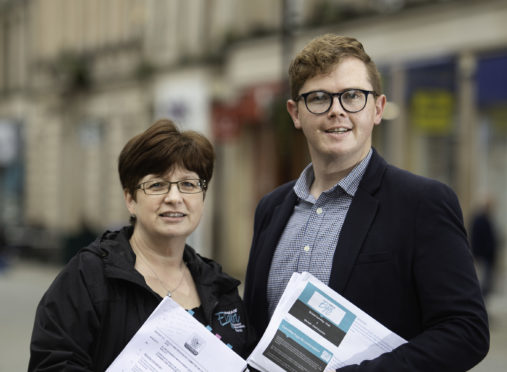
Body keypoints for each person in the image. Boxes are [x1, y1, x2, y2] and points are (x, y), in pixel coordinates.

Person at [243, 34, 489, 371]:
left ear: (378, 108)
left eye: (352, 96)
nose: (336, 111)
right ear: (295, 113)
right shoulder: (270, 209)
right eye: (318, 98)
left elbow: (466, 331)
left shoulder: (421, 203)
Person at [29, 119, 255, 371]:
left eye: (188, 184)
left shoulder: (221, 289)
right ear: (130, 199)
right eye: (157, 185)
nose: (174, 198)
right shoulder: (89, 276)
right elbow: (52, 364)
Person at [470, 196, 498, 299]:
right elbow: (476, 238)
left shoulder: (487, 219)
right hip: (482, 255)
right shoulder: (479, 219)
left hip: (488, 256)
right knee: (482, 279)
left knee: (487, 280)